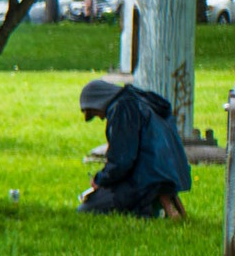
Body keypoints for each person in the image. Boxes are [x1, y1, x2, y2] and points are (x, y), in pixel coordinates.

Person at [77, 79, 191, 219]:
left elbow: (122, 161)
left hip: (147, 179)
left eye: (95, 112)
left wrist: (100, 179)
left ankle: (148, 207)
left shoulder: (123, 108)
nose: (100, 118)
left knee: (86, 209)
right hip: (167, 176)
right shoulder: (140, 100)